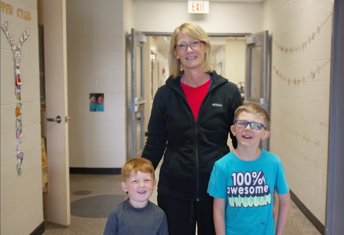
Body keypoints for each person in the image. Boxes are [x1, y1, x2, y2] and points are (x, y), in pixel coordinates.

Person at [141, 22, 243, 235]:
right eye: (182, 45)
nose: (189, 50)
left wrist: (254, 175)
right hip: (175, 188)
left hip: (216, 187)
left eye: (194, 43)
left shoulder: (228, 92)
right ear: (175, 53)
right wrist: (139, 178)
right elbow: (155, 143)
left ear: (205, 46)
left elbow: (240, 142)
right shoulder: (165, 94)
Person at [207, 102, 290, 235]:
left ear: (265, 134)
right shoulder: (222, 166)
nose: (248, 128)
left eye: (256, 126)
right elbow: (218, 210)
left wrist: (278, 233)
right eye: (242, 123)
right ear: (233, 130)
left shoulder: (274, 163)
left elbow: (285, 201)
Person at [103, 157, 168, 235]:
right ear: (125, 186)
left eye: (146, 180)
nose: (142, 185)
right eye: (135, 181)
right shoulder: (116, 214)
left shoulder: (159, 215)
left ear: (154, 183)